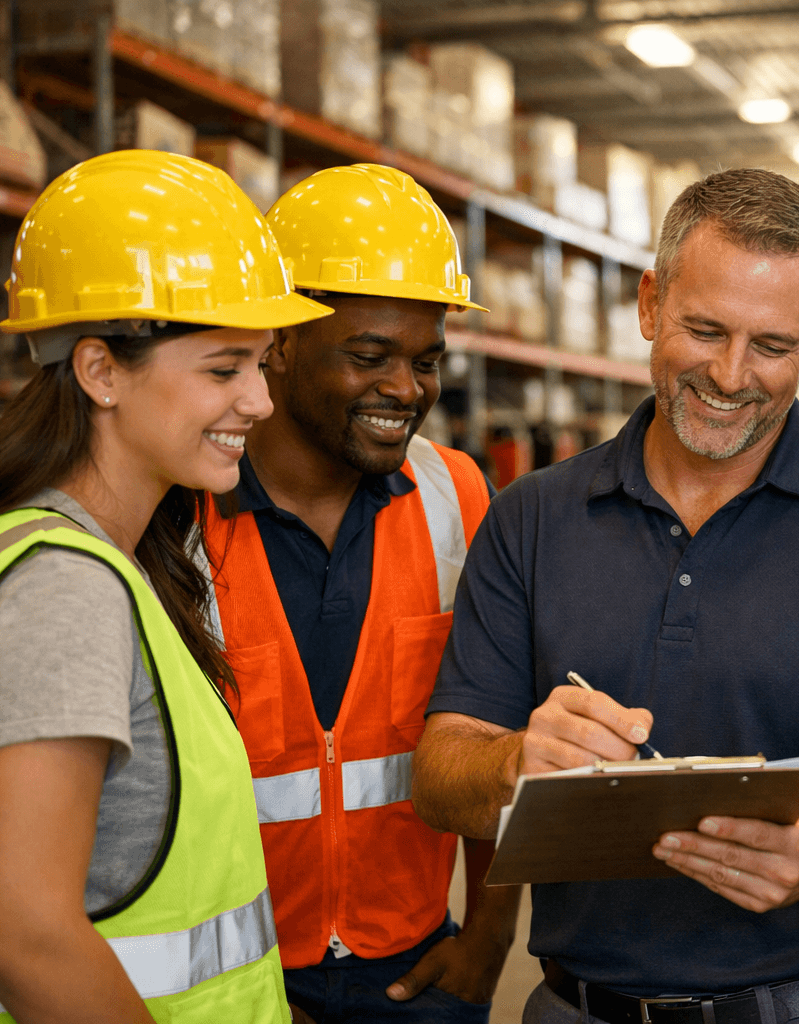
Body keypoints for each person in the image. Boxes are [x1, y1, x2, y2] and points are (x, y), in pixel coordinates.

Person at [410, 167, 799, 1024]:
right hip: (583, 1007)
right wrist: (516, 764)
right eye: (704, 329)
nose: (731, 375)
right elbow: (439, 775)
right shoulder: (531, 520)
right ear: (651, 305)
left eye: (771, 345)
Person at [0, 150, 330, 1022]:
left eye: (262, 363)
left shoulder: (122, 560)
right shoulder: (62, 587)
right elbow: (22, 930)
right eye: (223, 369)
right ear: (100, 372)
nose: (259, 401)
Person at [199, 164, 518, 1024]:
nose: (407, 389)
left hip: (419, 969)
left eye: (425, 361)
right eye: (370, 356)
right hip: (239, 974)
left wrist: (490, 937)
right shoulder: (180, 511)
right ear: (280, 344)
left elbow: (498, 734)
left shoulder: (458, 496)